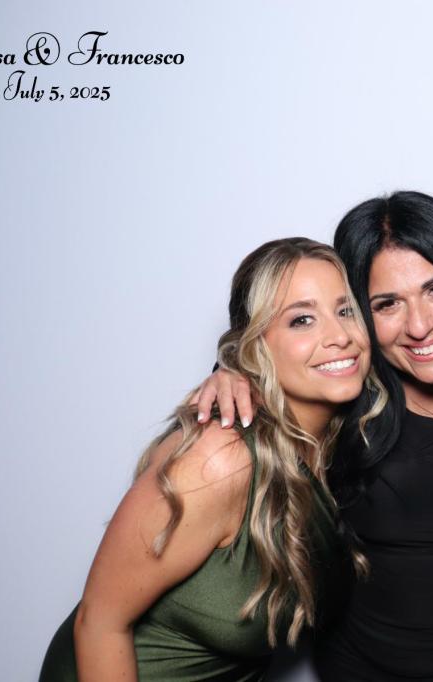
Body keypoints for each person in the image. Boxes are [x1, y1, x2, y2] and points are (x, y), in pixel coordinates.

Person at [197, 191, 433, 681]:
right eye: (387, 304)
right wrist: (231, 372)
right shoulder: (341, 401)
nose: (420, 326)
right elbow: (278, 344)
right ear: (360, 314)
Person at [39, 238, 383, 681]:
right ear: (256, 345)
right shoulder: (222, 458)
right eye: (302, 320)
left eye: (346, 310)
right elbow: (99, 624)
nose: (339, 336)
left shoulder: (340, 449)